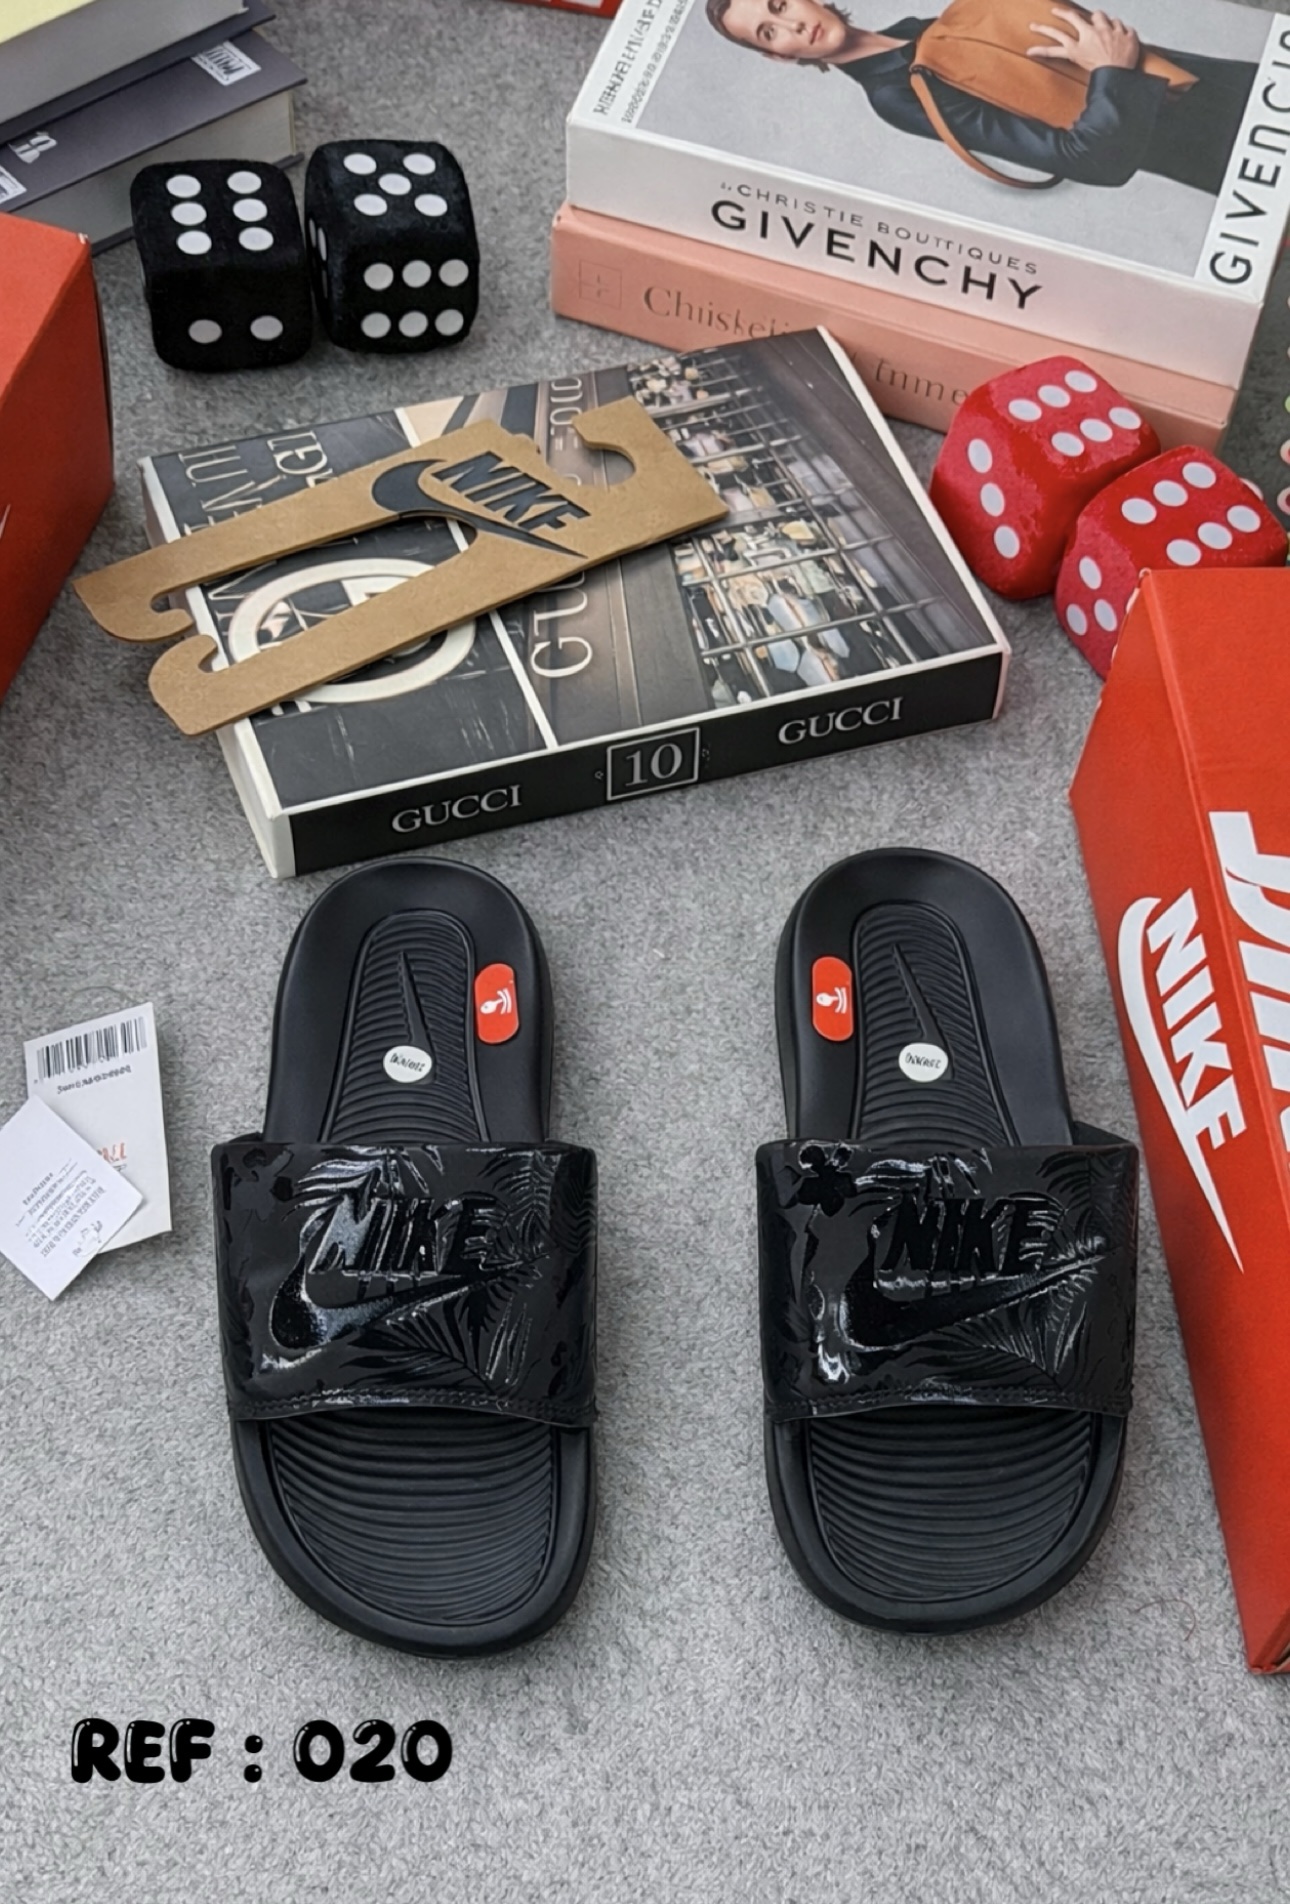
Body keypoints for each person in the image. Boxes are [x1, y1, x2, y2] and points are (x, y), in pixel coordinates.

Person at [704, 1, 1257, 193]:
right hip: (1218, 145)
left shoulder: (922, 26)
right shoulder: (897, 96)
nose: (793, 26)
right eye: (769, 33)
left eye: (779, 4)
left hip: (1228, 86)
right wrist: (1112, 71)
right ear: (778, 57)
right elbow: (1093, 161)